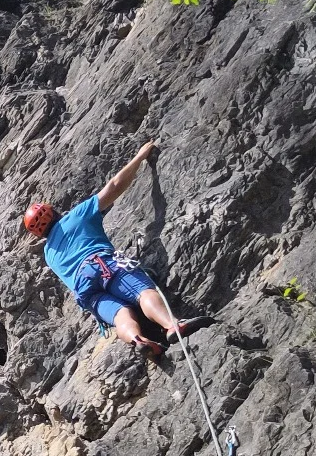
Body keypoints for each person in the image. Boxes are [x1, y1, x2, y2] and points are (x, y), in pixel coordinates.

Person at [22, 140, 211, 358]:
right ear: (51, 212)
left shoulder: (49, 255)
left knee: (122, 314)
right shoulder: (76, 216)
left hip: (85, 291)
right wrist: (140, 157)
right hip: (102, 265)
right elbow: (113, 186)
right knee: (142, 292)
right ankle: (172, 325)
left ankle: (137, 339)